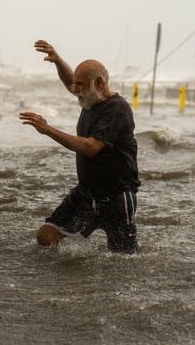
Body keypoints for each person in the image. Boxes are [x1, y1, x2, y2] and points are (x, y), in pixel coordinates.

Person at [19, 40, 140, 254]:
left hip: (117, 198)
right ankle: (78, 269)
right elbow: (69, 82)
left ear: (100, 84)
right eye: (76, 85)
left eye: (81, 85)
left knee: (122, 260)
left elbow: (91, 147)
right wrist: (57, 60)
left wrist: (48, 129)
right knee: (46, 236)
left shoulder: (117, 109)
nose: (75, 90)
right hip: (85, 195)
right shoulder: (89, 98)